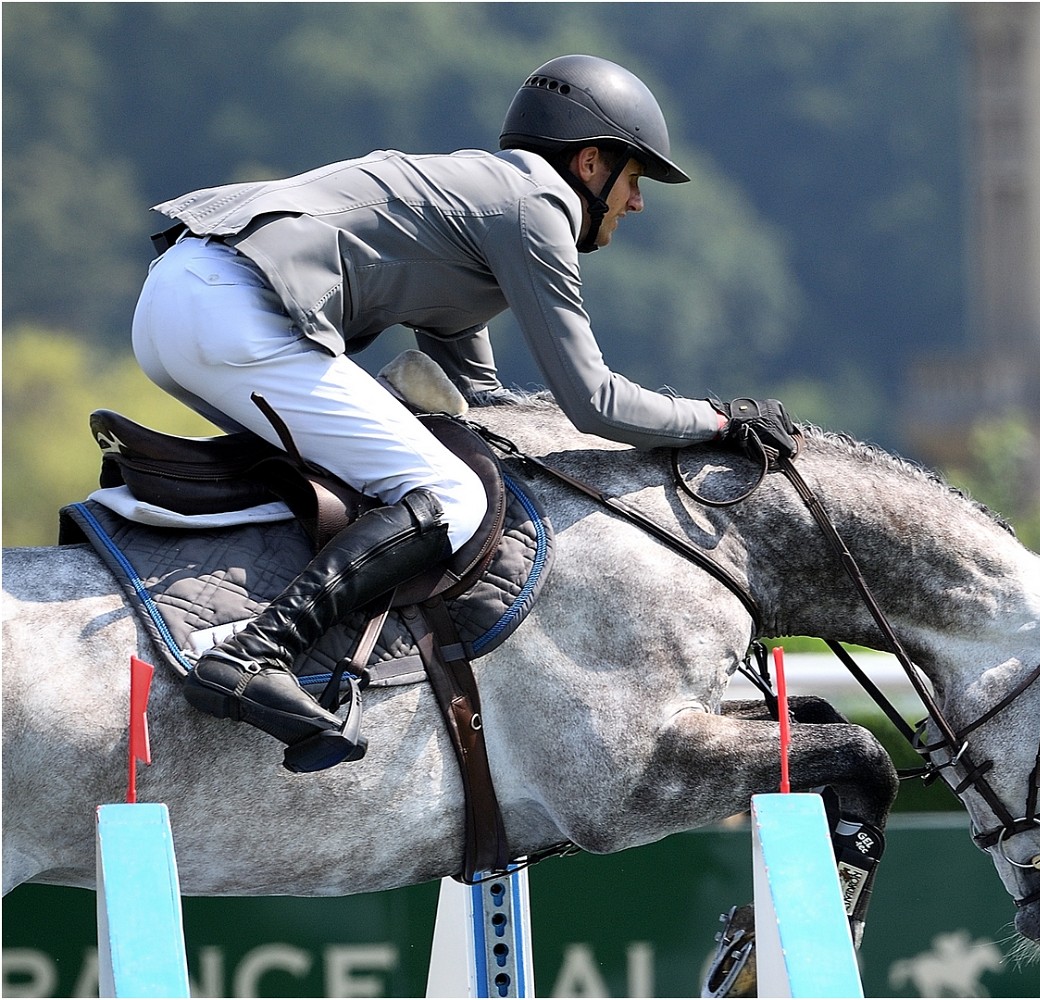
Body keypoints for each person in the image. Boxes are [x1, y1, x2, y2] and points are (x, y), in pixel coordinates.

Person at [131, 54, 798, 772]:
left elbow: (479, 397)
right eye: (634, 179)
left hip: (180, 303)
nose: (636, 203)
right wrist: (720, 422)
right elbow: (594, 402)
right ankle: (254, 654)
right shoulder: (536, 207)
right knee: (451, 495)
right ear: (590, 163)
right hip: (230, 310)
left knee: (388, 476)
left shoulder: (484, 197)